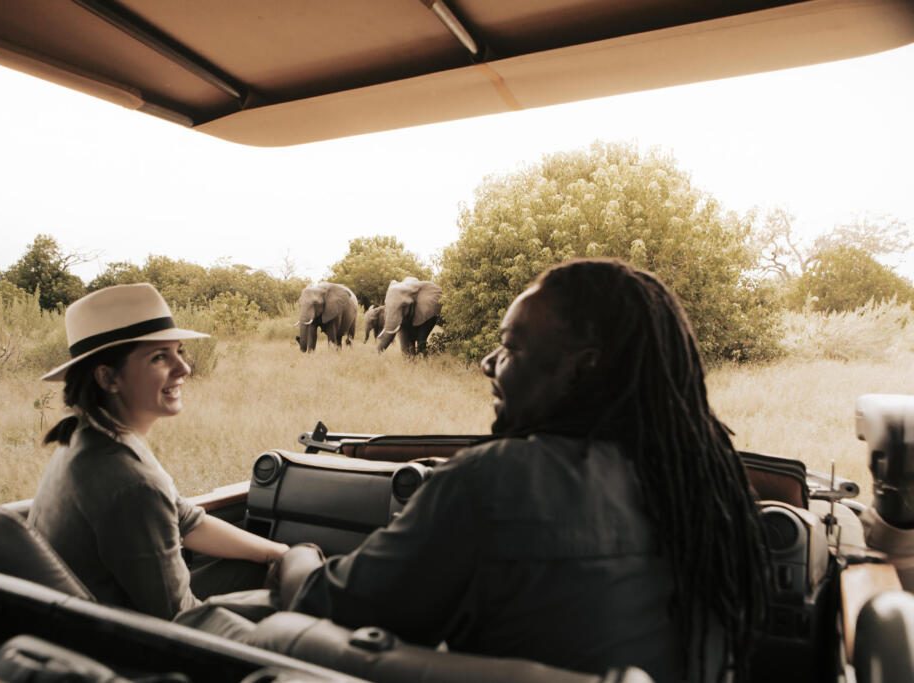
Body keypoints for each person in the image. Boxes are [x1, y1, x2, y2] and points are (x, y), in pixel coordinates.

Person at [276, 258, 769, 682]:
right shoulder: (714, 487)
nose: (489, 363)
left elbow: (331, 605)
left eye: (512, 347)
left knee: (234, 625)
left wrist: (296, 556)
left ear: (584, 368)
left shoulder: (495, 483)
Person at [29, 283, 288, 620]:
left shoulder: (92, 436)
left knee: (264, 571)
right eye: (159, 357)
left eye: (178, 351)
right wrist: (290, 610)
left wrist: (277, 553)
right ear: (108, 378)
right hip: (124, 646)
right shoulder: (129, 481)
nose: (184, 369)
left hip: (97, 622)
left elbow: (184, 520)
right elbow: (178, 619)